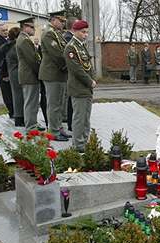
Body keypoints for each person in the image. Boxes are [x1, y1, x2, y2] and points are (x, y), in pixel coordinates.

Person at [64, 20, 96, 152]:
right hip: (79, 87)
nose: (86, 35)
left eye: (87, 32)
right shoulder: (71, 48)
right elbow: (76, 69)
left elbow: (88, 65)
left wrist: (91, 79)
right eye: (83, 32)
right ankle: (78, 145)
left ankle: (84, 142)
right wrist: (90, 81)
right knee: (79, 118)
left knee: (86, 118)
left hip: (86, 88)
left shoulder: (81, 46)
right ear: (75, 31)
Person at [39, 10, 70, 141]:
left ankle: (58, 128)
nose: (63, 23)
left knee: (59, 103)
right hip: (53, 73)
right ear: (53, 20)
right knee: (54, 104)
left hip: (59, 73)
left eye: (64, 21)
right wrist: (67, 65)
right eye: (61, 20)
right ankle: (53, 131)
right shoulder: (48, 34)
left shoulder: (58, 34)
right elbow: (57, 54)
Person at [16, 17, 43, 131]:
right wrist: (40, 73)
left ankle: (33, 123)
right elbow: (32, 60)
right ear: (25, 27)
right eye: (32, 27)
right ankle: (31, 126)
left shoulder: (23, 39)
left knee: (32, 101)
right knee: (31, 102)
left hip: (28, 75)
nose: (34, 30)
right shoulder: (24, 40)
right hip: (29, 75)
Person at [1, 27, 24, 127]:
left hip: (13, 72)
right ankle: (19, 118)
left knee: (17, 96)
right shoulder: (15, 47)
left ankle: (19, 117)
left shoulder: (9, 46)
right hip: (17, 72)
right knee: (19, 96)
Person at [63, 16, 77, 132]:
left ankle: (72, 122)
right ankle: (71, 124)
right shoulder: (68, 38)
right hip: (71, 73)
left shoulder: (70, 37)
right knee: (71, 99)